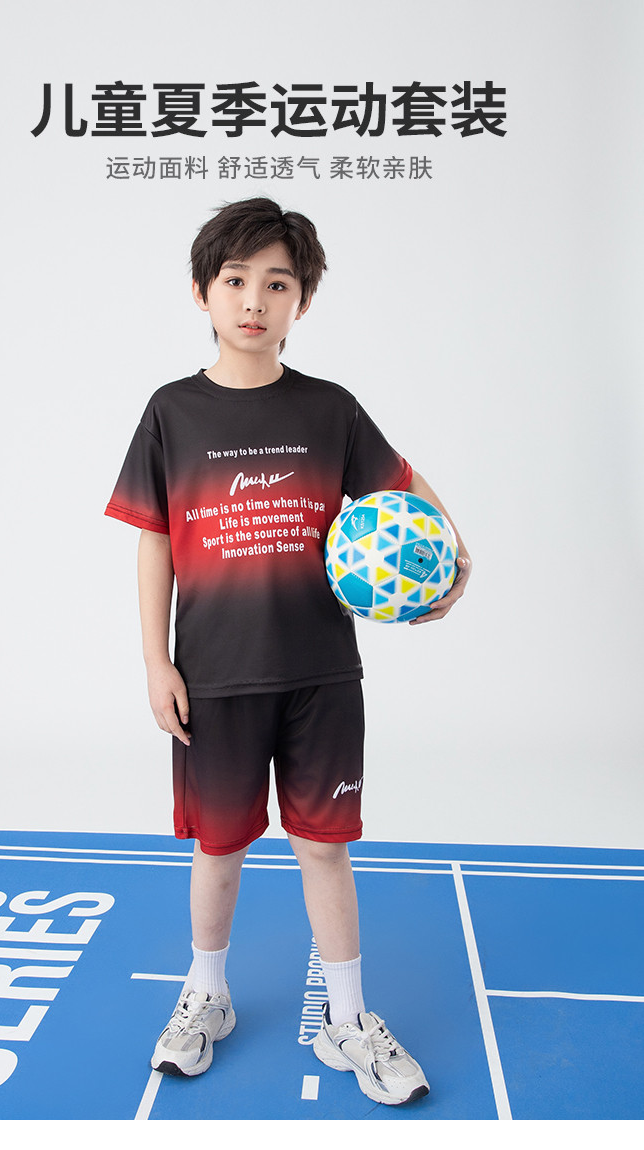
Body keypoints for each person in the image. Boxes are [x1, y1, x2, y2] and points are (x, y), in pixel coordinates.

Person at [105, 197, 472, 1107]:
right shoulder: (171, 411)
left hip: (321, 676)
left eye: (277, 284)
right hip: (215, 679)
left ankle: (348, 1018)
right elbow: (154, 539)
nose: (254, 300)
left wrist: (453, 557)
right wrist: (155, 660)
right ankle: (207, 995)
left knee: (323, 848)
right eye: (236, 280)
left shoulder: (328, 408)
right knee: (218, 849)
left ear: (301, 301)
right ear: (202, 291)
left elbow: (401, 483)